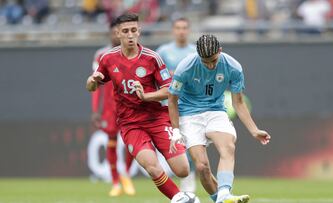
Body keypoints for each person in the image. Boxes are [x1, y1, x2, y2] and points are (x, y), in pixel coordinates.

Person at [86, 12, 190, 200]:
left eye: (134, 30)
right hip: (130, 123)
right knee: (151, 166)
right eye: (125, 31)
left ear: (139, 31)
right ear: (118, 34)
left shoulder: (152, 58)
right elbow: (91, 86)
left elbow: (170, 90)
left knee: (183, 170)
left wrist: (146, 95)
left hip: (157, 118)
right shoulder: (107, 59)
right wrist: (92, 81)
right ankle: (179, 198)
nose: (130, 35)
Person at [168, 34, 271, 203]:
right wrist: (176, 130)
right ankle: (219, 199)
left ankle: (224, 193)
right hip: (189, 114)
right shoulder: (185, 67)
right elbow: (172, 100)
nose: (210, 65)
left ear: (220, 51)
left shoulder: (233, 67)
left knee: (228, 147)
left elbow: (238, 103)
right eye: (205, 61)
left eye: (213, 60)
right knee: (202, 167)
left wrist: (254, 130)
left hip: (216, 111)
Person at [91, 19, 135, 197]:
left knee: (132, 143)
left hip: (130, 105)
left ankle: (126, 174)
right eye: (115, 32)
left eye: (122, 31)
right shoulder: (101, 55)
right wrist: (96, 110)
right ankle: (115, 181)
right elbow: (96, 85)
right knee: (111, 142)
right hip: (110, 107)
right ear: (111, 34)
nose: (118, 35)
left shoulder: (135, 52)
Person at [156, 17, 197, 193]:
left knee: (191, 143)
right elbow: (154, 75)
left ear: (188, 30)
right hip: (168, 106)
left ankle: (189, 180)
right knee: (174, 142)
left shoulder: (195, 52)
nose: (181, 31)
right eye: (178, 27)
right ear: (173, 30)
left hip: (189, 105)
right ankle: (170, 176)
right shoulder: (164, 51)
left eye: (184, 27)